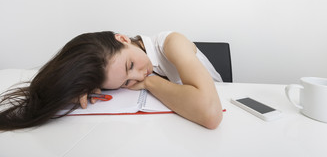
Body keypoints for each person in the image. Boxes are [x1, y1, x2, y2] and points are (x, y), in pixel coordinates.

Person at [0, 31, 223, 131]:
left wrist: (150, 82)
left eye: (130, 66)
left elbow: (211, 114)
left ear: (123, 38)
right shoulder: (113, 70)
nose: (136, 77)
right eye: (125, 82)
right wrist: (83, 87)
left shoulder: (171, 42)